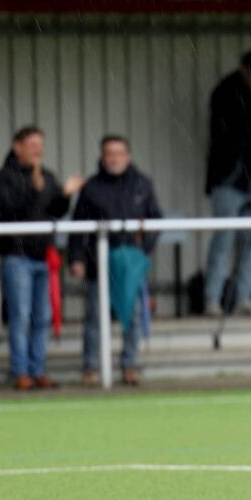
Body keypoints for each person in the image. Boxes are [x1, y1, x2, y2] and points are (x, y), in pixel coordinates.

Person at [0, 126, 83, 390]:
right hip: (16, 256)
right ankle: (20, 372)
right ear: (17, 146)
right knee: (20, 316)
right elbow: (12, 208)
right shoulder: (3, 177)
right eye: (32, 145)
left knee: (41, 316)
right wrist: (34, 185)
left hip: (43, 256)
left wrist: (65, 194)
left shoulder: (47, 176)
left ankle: (37, 369)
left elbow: (54, 211)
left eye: (40, 145)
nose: (37, 150)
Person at [68, 135, 163, 386]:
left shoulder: (142, 184)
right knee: (95, 318)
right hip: (99, 263)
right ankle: (91, 368)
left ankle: (130, 365)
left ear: (128, 156)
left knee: (132, 317)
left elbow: (156, 220)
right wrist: (76, 258)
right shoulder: (91, 187)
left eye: (119, 152)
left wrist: (143, 250)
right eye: (110, 153)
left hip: (130, 262)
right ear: (102, 157)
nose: (114, 157)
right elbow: (78, 227)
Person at [203, 49, 251, 316]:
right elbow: (226, 134)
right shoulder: (225, 93)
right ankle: (212, 299)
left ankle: (243, 297)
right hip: (228, 178)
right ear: (245, 70)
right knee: (223, 240)